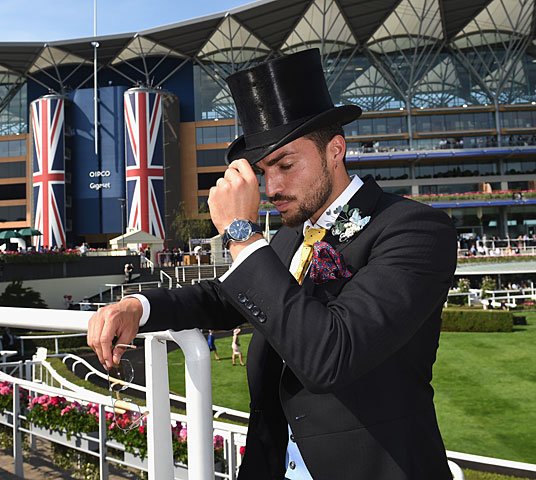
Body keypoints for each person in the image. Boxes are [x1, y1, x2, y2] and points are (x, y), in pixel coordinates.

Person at [87, 49, 456, 479]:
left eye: (286, 165)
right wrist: (139, 307)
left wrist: (241, 234)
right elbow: (224, 298)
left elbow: (329, 356)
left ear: (335, 150)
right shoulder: (289, 235)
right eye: (264, 171)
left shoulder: (414, 228)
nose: (273, 187)